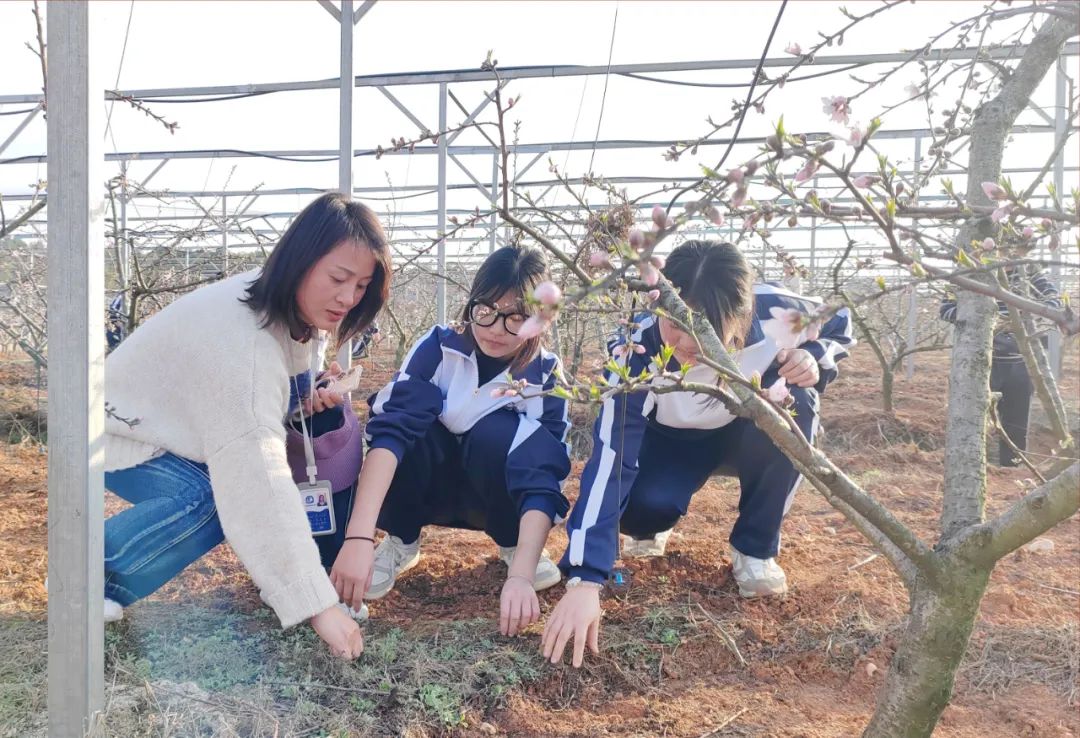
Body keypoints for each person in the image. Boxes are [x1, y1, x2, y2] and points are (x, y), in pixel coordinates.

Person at [99, 192, 391, 659]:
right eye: (339, 278)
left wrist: (303, 396)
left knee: (222, 488)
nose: (347, 298)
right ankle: (90, 572)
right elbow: (255, 475)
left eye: (361, 286)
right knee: (216, 495)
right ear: (300, 260)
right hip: (118, 431)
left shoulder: (293, 312)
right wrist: (316, 605)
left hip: (172, 431)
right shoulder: (243, 342)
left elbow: (259, 407)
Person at [542, 239, 855, 666]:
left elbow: (838, 317)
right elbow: (612, 454)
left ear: (742, 315)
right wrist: (585, 578)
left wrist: (814, 356)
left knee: (798, 400)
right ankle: (654, 523)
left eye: (706, 326)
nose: (687, 342)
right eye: (676, 323)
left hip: (745, 431)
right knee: (643, 511)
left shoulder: (777, 311)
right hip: (670, 442)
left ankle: (754, 549)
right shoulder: (635, 347)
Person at [330, 246, 572, 638]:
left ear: (540, 321)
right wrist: (358, 538)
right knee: (414, 427)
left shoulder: (544, 373)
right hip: (430, 488)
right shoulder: (440, 347)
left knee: (501, 434)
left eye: (515, 317)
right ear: (471, 304)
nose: (495, 328)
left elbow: (543, 477)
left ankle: (515, 547)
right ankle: (401, 540)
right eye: (486, 310)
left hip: (493, 498)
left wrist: (523, 576)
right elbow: (391, 432)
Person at [939, 264, 1061, 466]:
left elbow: (1054, 301)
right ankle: (972, 465)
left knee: (1016, 422)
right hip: (978, 360)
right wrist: (983, 319)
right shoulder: (966, 274)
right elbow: (946, 310)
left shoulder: (1029, 272)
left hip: (1020, 362)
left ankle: (1011, 467)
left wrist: (1028, 315)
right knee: (973, 417)